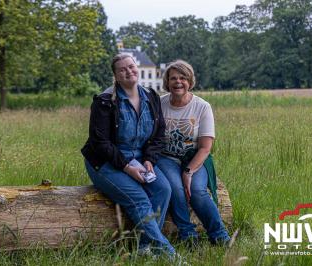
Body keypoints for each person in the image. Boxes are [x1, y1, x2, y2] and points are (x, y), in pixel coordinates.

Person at [81, 53, 175, 256]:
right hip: (106, 161)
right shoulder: (105, 101)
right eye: (122, 69)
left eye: (131, 66)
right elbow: (100, 143)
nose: (128, 71)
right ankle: (169, 254)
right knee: (140, 200)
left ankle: (144, 247)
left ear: (137, 68)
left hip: (140, 158)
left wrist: (149, 159)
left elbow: (158, 134)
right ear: (115, 75)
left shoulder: (151, 96)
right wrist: (127, 167)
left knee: (163, 190)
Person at [156, 60, 231, 246]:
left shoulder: (202, 107)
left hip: (195, 157)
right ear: (167, 82)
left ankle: (220, 236)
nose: (178, 82)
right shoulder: (159, 104)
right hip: (167, 158)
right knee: (176, 188)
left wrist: (188, 172)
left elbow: (206, 146)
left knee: (197, 191)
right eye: (173, 78)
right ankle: (187, 235)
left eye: (183, 78)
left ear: (190, 81)